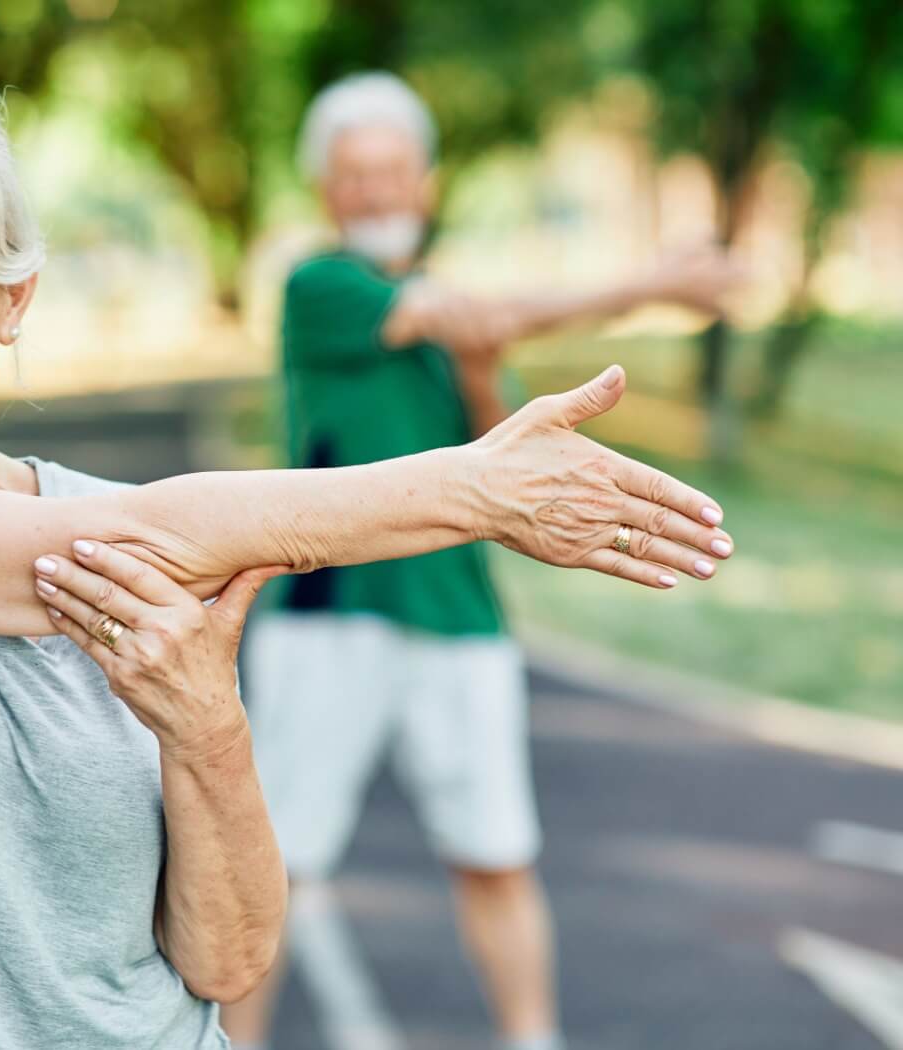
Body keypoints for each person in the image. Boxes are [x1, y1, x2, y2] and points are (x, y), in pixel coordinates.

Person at [0, 67, 733, 1050]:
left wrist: (208, 730)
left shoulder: (134, 536)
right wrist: (472, 490)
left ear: (13, 299)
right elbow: (140, 541)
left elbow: (222, 959)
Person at [220, 73, 741, 1050]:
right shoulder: (319, 288)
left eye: (391, 171)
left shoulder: (463, 317)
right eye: (353, 174)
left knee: (496, 859)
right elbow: (458, 314)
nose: (374, 191)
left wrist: (478, 357)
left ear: (426, 182)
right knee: (276, 867)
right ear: (325, 190)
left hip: (458, 618)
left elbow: (501, 445)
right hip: (330, 617)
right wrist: (649, 285)